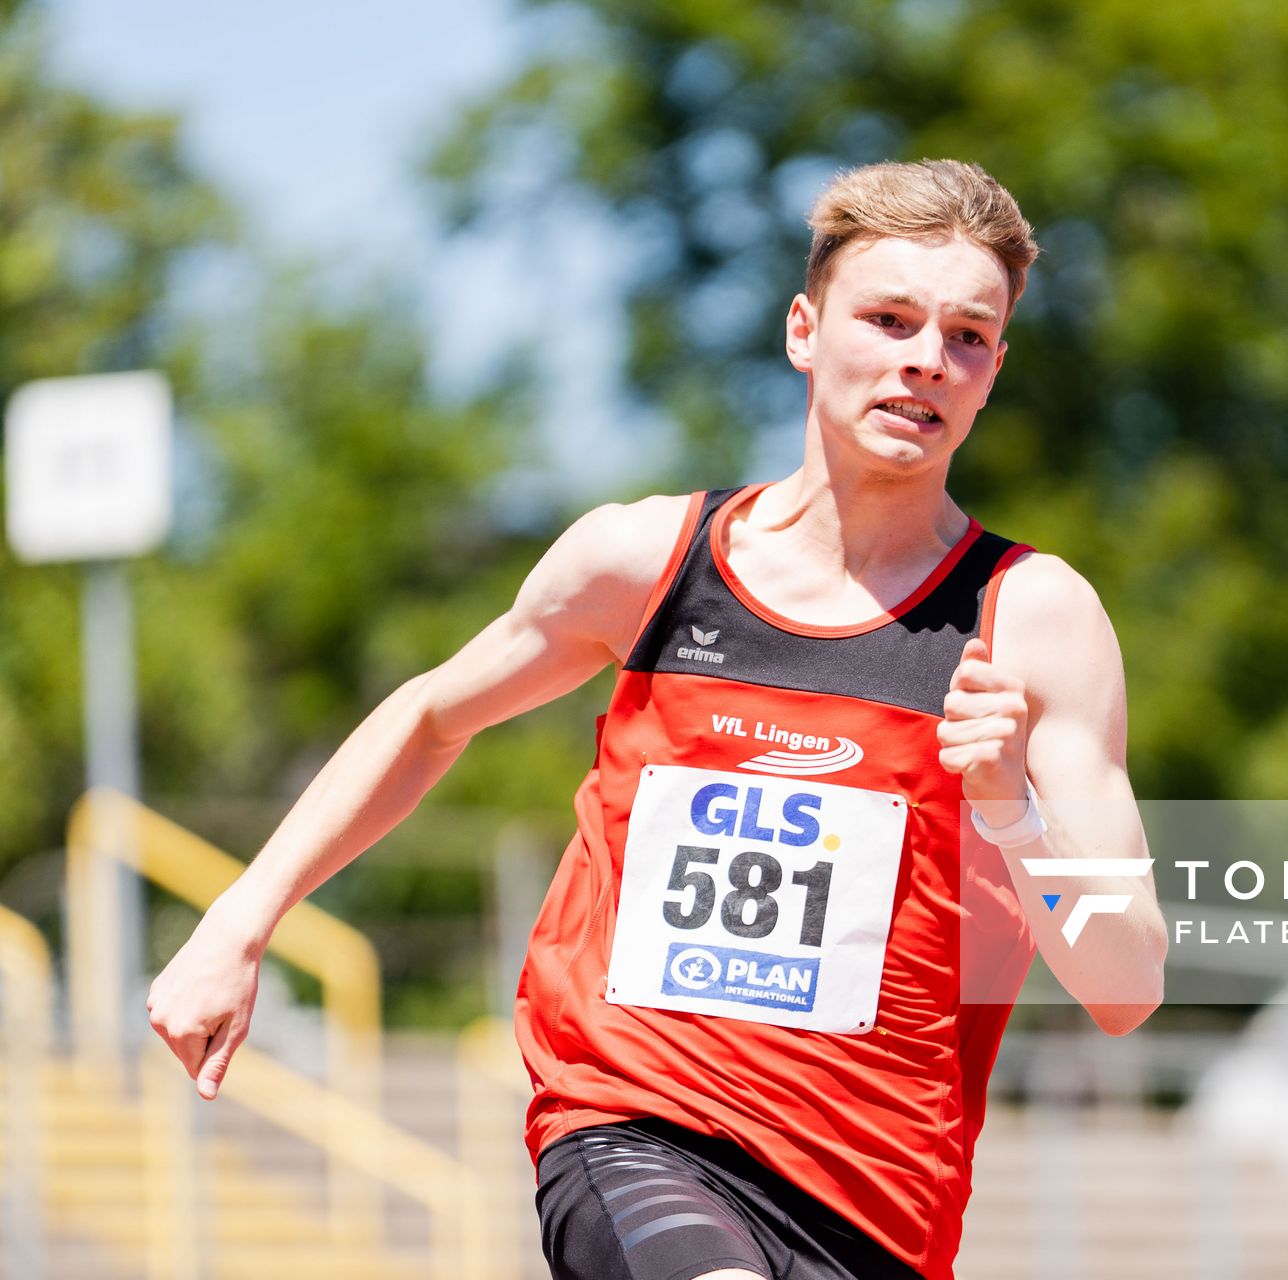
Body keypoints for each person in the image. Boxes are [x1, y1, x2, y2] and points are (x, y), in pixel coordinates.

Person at [147, 158, 1167, 1280]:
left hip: (876, 1193)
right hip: (632, 1117)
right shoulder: (648, 563)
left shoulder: (1033, 620)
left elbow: (1126, 985)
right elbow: (433, 717)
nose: (927, 356)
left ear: (992, 372)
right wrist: (242, 919)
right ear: (803, 331)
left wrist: (1010, 810)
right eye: (888, 318)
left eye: (968, 335)